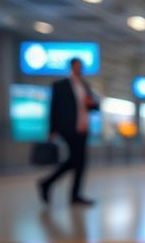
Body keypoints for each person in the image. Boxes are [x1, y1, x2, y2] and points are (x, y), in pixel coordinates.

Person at [38, 58, 99, 206]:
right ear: (71, 67)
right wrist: (52, 129)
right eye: (76, 67)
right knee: (75, 160)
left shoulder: (85, 86)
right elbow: (54, 108)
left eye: (80, 67)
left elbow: (95, 107)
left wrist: (92, 104)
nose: (79, 69)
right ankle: (48, 183)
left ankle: (73, 195)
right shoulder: (60, 86)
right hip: (68, 128)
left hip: (83, 128)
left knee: (80, 162)